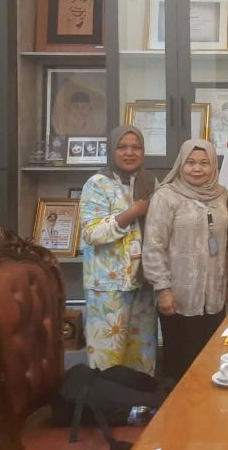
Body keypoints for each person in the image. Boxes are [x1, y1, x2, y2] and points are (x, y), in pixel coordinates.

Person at [143, 139, 228, 380]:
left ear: (213, 165)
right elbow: (153, 246)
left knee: (213, 363)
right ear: (180, 164)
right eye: (190, 162)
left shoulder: (222, 196)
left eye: (204, 163)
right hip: (178, 298)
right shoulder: (166, 196)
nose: (197, 168)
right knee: (181, 367)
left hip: (215, 296)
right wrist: (163, 289)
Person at [78, 125, 158, 375]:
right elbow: (91, 233)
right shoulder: (97, 184)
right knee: (108, 360)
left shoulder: (150, 182)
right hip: (108, 287)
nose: (129, 153)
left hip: (143, 283)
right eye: (122, 147)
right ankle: (105, 400)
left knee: (142, 359)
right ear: (112, 150)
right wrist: (131, 213)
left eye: (136, 147)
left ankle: (140, 399)